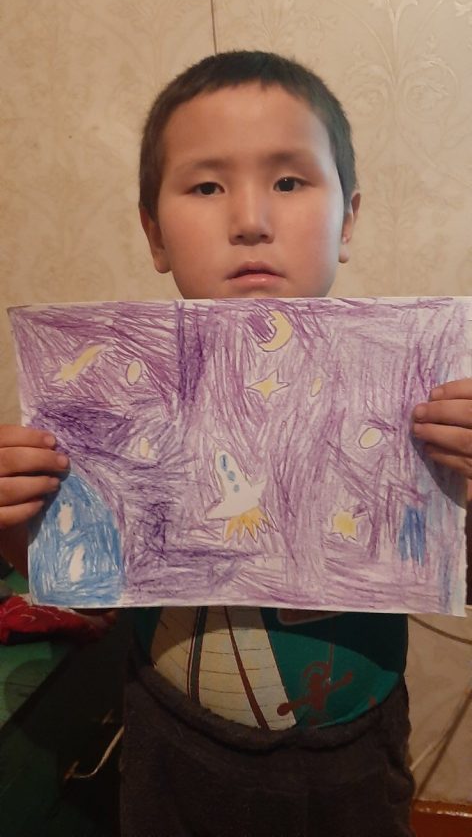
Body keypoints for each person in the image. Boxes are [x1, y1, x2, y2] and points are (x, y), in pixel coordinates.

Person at [1, 51, 471, 837]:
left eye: (289, 180)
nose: (250, 218)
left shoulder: (415, 391)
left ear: (348, 220)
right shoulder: (119, 397)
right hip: (174, 742)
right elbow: (89, 591)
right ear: (154, 233)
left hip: (356, 744)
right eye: (206, 186)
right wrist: (22, 530)